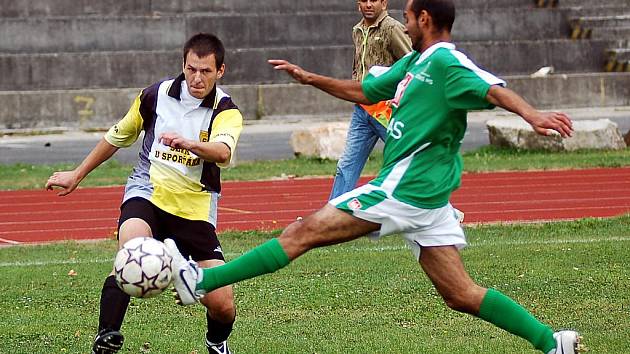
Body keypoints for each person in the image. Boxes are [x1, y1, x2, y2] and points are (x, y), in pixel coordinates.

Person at [167, 1, 583, 353]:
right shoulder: (414, 61)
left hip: (405, 188)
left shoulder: (446, 60)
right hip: (427, 201)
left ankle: (202, 280)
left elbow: (493, 90)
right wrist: (310, 78)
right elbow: (365, 92)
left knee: (302, 231)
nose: (402, 23)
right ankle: (553, 342)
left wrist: (532, 115)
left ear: (424, 19)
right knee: (461, 294)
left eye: (407, 15)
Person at [45, 33, 243, 354]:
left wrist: (189, 143)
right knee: (133, 248)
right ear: (183, 64)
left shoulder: (226, 111)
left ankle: (216, 340)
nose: (196, 78)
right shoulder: (155, 95)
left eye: (205, 71)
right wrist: (76, 174)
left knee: (223, 304)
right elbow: (117, 136)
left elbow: (222, 152)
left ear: (220, 71)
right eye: (191, 68)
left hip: (194, 208)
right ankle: (106, 336)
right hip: (147, 191)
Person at [330, 0, 411, 200]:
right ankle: (333, 214)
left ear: (384, 3)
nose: (368, 5)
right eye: (364, 0)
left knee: (407, 162)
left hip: (387, 111)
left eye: (373, 0)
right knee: (346, 165)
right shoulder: (357, 30)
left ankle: (445, 212)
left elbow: (412, 62)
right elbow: (358, 66)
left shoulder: (392, 29)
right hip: (362, 110)